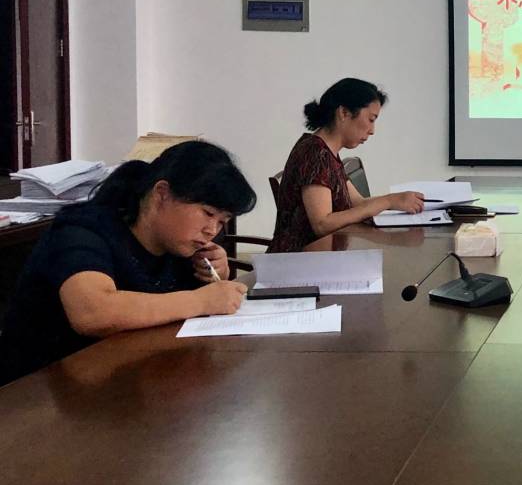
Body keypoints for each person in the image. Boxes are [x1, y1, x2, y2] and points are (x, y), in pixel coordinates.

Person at [0, 141, 257, 385]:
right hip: (37, 394)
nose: (212, 230)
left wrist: (215, 275)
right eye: (208, 213)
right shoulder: (82, 232)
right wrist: (201, 300)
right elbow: (93, 312)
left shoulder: (178, 245)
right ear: (162, 194)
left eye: (222, 221)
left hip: (125, 380)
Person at [269, 78, 424, 252]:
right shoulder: (314, 153)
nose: (372, 130)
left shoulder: (328, 153)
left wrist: (397, 201)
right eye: (371, 119)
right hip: (298, 260)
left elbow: (358, 203)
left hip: (323, 255)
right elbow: (322, 224)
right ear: (343, 113)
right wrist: (387, 201)